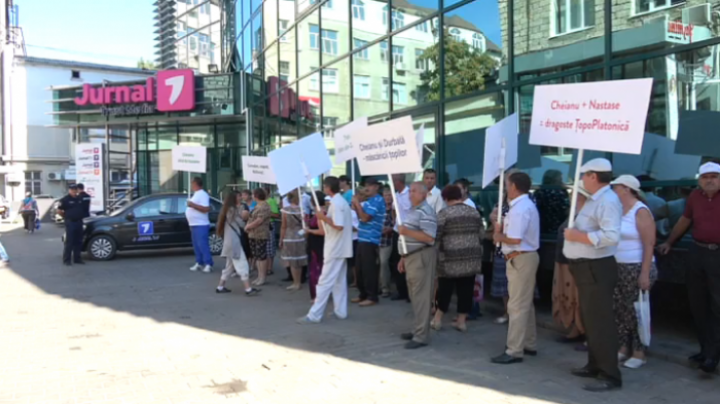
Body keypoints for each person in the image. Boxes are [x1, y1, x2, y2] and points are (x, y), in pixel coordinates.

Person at [563, 158, 623, 392]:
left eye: (585, 175)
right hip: (587, 267)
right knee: (591, 319)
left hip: (596, 267)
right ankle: (595, 364)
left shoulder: (607, 201)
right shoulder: (595, 200)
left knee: (600, 322)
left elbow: (611, 236)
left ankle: (610, 374)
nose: (582, 180)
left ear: (593, 177)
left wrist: (578, 237)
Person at [658, 162, 720, 374]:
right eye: (705, 177)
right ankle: (705, 350)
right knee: (698, 303)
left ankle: (712, 356)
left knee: (717, 306)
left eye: (714, 176)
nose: (710, 180)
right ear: (699, 181)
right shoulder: (695, 197)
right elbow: (685, 220)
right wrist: (669, 242)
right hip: (697, 251)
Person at [491, 172, 540, 365]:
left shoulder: (520, 209)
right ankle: (529, 343)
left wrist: (499, 237)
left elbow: (515, 239)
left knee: (517, 305)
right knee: (525, 303)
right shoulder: (522, 206)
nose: (505, 189)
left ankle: (514, 350)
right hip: (522, 257)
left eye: (507, 185)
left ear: (513, 187)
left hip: (520, 257)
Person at [610, 175, 658, 369]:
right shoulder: (618, 210)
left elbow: (649, 243)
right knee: (620, 309)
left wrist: (644, 272)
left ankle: (639, 351)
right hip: (618, 265)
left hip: (636, 266)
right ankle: (622, 347)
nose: (613, 191)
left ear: (626, 189)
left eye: (616, 187)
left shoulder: (641, 211)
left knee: (634, 310)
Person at [298, 177, 353, 324]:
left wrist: (322, 217)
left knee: (324, 281)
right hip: (339, 247)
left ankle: (314, 315)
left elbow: (338, 225)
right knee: (339, 281)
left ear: (328, 187)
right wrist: (324, 216)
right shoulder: (339, 202)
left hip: (335, 247)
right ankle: (340, 312)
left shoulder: (337, 203)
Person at [431, 185, 483, 332]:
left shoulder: (444, 213)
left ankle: (438, 319)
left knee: (444, 289)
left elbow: (436, 235)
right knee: (466, 290)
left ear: (446, 198)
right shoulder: (474, 212)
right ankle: (461, 321)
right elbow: (481, 234)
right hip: (471, 258)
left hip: (449, 258)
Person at [397, 182, 437, 349]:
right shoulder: (414, 211)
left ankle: (421, 336)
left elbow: (429, 237)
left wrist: (406, 232)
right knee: (415, 296)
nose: (410, 194)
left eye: (414, 191)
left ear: (424, 194)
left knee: (421, 297)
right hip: (412, 256)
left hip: (421, 256)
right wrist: (403, 257)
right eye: (410, 191)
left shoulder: (426, 211)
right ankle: (417, 330)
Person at [553, 189, 588, 346]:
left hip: (576, 262)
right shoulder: (574, 211)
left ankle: (583, 331)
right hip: (563, 260)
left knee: (577, 298)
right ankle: (574, 327)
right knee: (568, 297)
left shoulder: (587, 214)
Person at [215, 191, 260, 296]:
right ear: (234, 197)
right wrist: (249, 218)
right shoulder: (232, 210)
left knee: (229, 266)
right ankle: (248, 289)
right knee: (242, 264)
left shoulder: (228, 209)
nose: (241, 198)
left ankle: (220, 287)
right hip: (233, 242)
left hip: (230, 241)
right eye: (239, 196)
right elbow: (240, 223)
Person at [351, 178, 386, 307]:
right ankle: (363, 294)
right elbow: (360, 214)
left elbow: (365, 218)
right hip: (362, 237)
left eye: (370, 186)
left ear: (376, 187)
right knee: (360, 269)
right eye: (366, 185)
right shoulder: (369, 201)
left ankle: (372, 296)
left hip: (371, 238)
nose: (367, 188)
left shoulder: (377, 200)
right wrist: (356, 204)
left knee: (368, 269)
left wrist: (357, 204)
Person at [389, 174, 413, 302]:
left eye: (392, 181)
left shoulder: (409, 194)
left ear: (398, 182)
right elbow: (393, 209)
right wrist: (395, 222)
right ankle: (401, 291)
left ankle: (411, 292)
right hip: (397, 231)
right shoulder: (396, 194)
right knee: (396, 261)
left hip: (408, 232)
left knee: (408, 262)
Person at [280, 191, 308, 291]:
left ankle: (295, 283)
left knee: (292, 261)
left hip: (289, 236)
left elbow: (283, 226)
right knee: (298, 260)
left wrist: (281, 239)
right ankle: (299, 281)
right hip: (300, 236)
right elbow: (305, 225)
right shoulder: (302, 210)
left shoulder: (285, 210)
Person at [245, 188, 272, 286]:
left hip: (260, 234)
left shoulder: (264, 206)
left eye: (253, 194)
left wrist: (248, 226)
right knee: (257, 256)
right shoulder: (258, 205)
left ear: (256, 195)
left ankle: (262, 277)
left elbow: (259, 220)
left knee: (261, 256)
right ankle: (259, 276)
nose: (252, 196)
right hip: (254, 234)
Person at [187, 177, 214, 273]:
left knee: (202, 244)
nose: (191, 186)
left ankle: (208, 264)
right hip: (194, 224)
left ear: (195, 184)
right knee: (196, 245)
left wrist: (192, 205)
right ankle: (199, 262)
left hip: (201, 224)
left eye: (192, 184)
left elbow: (206, 209)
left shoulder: (203, 194)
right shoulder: (196, 194)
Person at [305, 192, 327, 302]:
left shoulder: (320, 212)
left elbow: (322, 231)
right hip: (315, 243)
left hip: (318, 243)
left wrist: (308, 230)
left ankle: (318, 295)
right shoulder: (319, 211)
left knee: (316, 269)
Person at [534, 170, 570, 235]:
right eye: (560, 179)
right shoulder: (560, 193)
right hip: (557, 230)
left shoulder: (538, 192)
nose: (562, 182)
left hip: (540, 229)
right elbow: (567, 211)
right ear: (554, 180)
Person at [57, 184, 85, 266]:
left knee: (78, 241)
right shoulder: (65, 200)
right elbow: (59, 211)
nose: (74, 191)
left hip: (79, 222)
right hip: (70, 222)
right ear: (69, 190)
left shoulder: (79, 198)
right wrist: (66, 217)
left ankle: (77, 259)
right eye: (72, 189)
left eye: (75, 189)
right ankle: (67, 260)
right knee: (69, 241)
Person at [379, 186, 395, 298]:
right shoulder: (380, 208)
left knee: (384, 263)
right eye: (386, 195)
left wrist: (390, 229)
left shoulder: (395, 209)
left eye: (390, 195)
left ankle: (385, 288)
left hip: (389, 241)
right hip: (377, 240)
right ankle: (379, 287)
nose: (388, 197)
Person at [265, 187, 280, 276]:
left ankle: (270, 268)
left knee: (270, 247)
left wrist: (266, 212)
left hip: (269, 225)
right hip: (262, 226)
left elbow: (276, 214)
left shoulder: (271, 201)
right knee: (265, 248)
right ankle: (265, 267)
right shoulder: (261, 202)